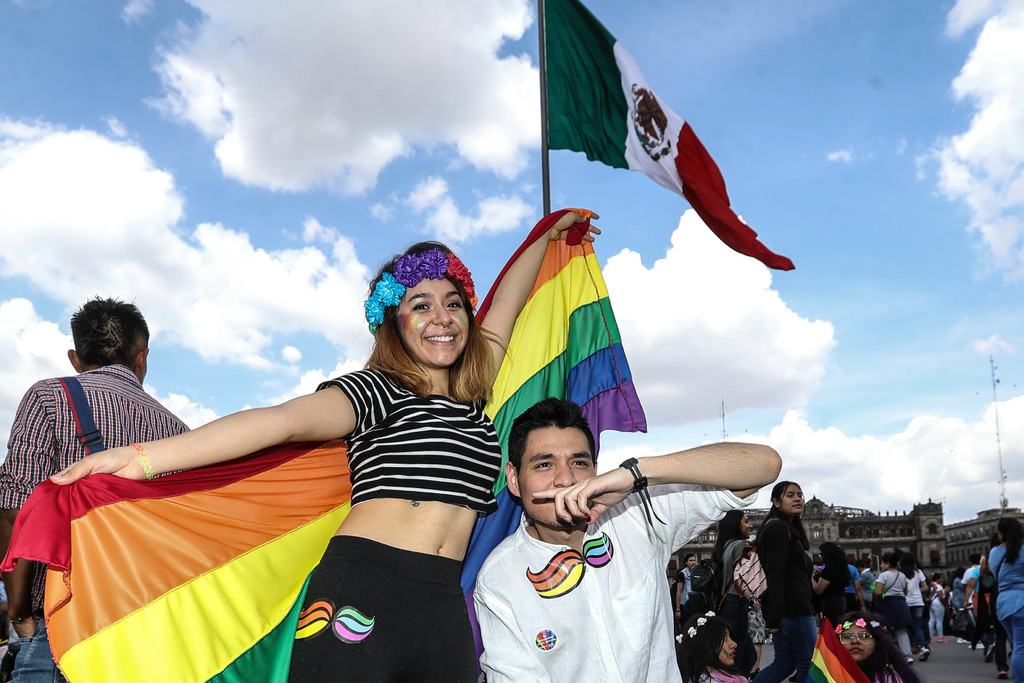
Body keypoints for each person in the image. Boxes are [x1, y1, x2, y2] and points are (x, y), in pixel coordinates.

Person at [51, 212, 598, 682]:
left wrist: (550, 234)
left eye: (453, 304)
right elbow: (281, 422)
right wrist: (142, 458)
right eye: (421, 305)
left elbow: (506, 308)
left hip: (442, 600)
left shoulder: (474, 401)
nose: (441, 317)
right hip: (363, 587)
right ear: (394, 324)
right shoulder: (378, 390)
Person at [473, 398, 781, 682]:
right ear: (514, 479)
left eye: (579, 462)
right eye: (544, 464)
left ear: (595, 470)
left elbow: (765, 465)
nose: (565, 479)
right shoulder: (500, 578)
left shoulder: (638, 514)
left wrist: (636, 473)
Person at [0, 297, 189, 683]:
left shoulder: (49, 397)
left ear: (75, 358)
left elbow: (16, 508)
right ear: (142, 358)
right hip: (149, 623)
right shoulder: (179, 431)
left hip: (62, 620)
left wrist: (19, 614)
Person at [750, 481, 816, 683]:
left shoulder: (782, 527)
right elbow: (775, 572)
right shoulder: (778, 528)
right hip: (793, 607)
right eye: (790, 495)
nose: (797, 499)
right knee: (808, 662)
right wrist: (774, 615)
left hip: (787, 607)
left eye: (800, 495)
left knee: (785, 663)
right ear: (776, 502)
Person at [710, 510, 758, 675]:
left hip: (727, 603)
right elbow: (749, 577)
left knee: (748, 656)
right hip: (736, 602)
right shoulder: (741, 546)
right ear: (735, 525)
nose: (750, 525)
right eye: (746, 521)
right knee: (737, 658)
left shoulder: (725, 546)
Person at [835, 612, 923, 683]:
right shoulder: (831, 673)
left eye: (864, 636)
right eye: (847, 636)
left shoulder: (888, 678)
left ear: (877, 642)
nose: (854, 641)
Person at [990, 517, 1023, 681]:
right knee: (1021, 647)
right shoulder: (1022, 551)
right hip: (1021, 601)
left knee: (1018, 645)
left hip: (1003, 603)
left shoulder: (993, 553)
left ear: (1001, 534)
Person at [676, 613, 749, 683]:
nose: (734, 644)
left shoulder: (678, 678)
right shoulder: (735, 681)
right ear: (705, 645)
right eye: (724, 638)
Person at [873, 552, 913, 663]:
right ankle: (907, 655)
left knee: (886, 630)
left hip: (887, 604)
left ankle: (889, 655)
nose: (881, 565)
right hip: (901, 603)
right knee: (902, 631)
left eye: (882, 563)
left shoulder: (883, 575)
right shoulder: (902, 575)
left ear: (888, 563)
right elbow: (906, 591)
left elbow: (878, 592)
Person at [813, 541, 852, 627]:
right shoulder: (840, 568)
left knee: (830, 627)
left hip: (830, 604)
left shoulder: (828, 571)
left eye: (821, 554)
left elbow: (818, 590)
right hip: (841, 601)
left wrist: (811, 577)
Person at [899, 553, 929, 660]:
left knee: (905, 628)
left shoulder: (900, 574)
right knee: (918, 627)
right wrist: (917, 590)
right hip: (918, 602)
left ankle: (908, 651)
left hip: (905, 602)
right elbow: (925, 587)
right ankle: (923, 647)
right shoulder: (918, 572)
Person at [676, 553, 698, 627]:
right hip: (685, 604)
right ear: (686, 562)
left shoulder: (697, 572)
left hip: (695, 603)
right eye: (690, 561)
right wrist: (678, 609)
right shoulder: (682, 574)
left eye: (694, 560)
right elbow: (679, 592)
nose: (693, 562)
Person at [926, 573, 948, 643]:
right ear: (937, 579)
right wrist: (945, 604)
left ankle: (929, 637)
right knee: (939, 620)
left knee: (932, 620)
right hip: (938, 604)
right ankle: (941, 637)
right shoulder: (938, 586)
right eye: (941, 578)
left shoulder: (930, 586)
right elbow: (941, 597)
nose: (942, 579)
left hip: (932, 603)